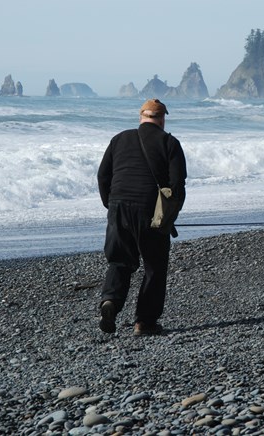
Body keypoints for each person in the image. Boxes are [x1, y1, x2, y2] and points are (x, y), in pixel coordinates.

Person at [97, 99, 187, 336]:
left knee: (119, 261)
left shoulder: (119, 139)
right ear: (162, 118)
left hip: (118, 207)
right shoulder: (169, 142)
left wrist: (111, 205)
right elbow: (178, 185)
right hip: (150, 211)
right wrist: (170, 215)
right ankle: (144, 323)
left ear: (141, 117)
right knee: (154, 266)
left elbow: (102, 176)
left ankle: (111, 303)